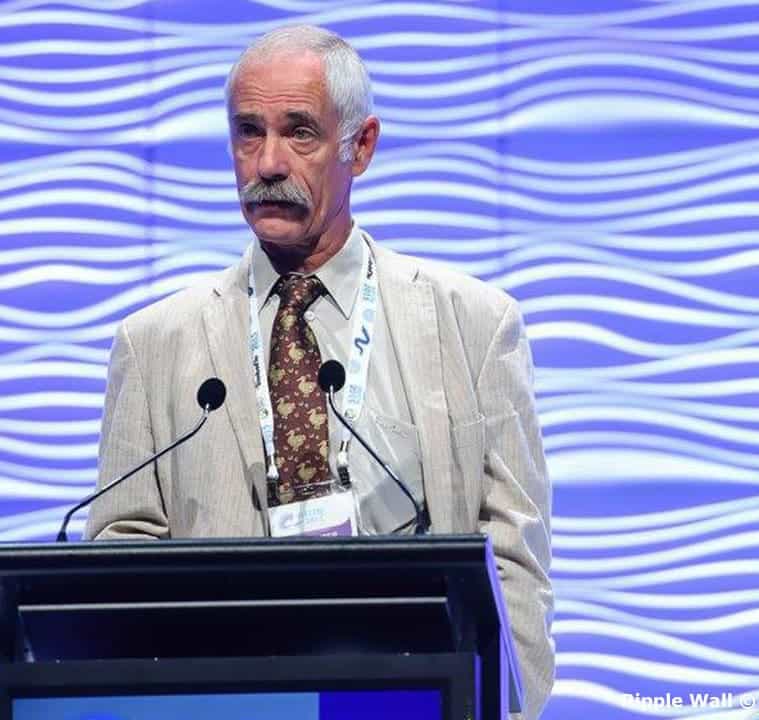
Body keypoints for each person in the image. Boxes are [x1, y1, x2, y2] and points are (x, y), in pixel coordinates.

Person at [84, 25, 554, 719]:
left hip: (417, 700)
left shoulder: (475, 325)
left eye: (298, 132)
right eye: (248, 132)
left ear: (359, 147)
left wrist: (499, 708)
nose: (267, 161)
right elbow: (116, 566)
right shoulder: (153, 344)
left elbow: (513, 559)